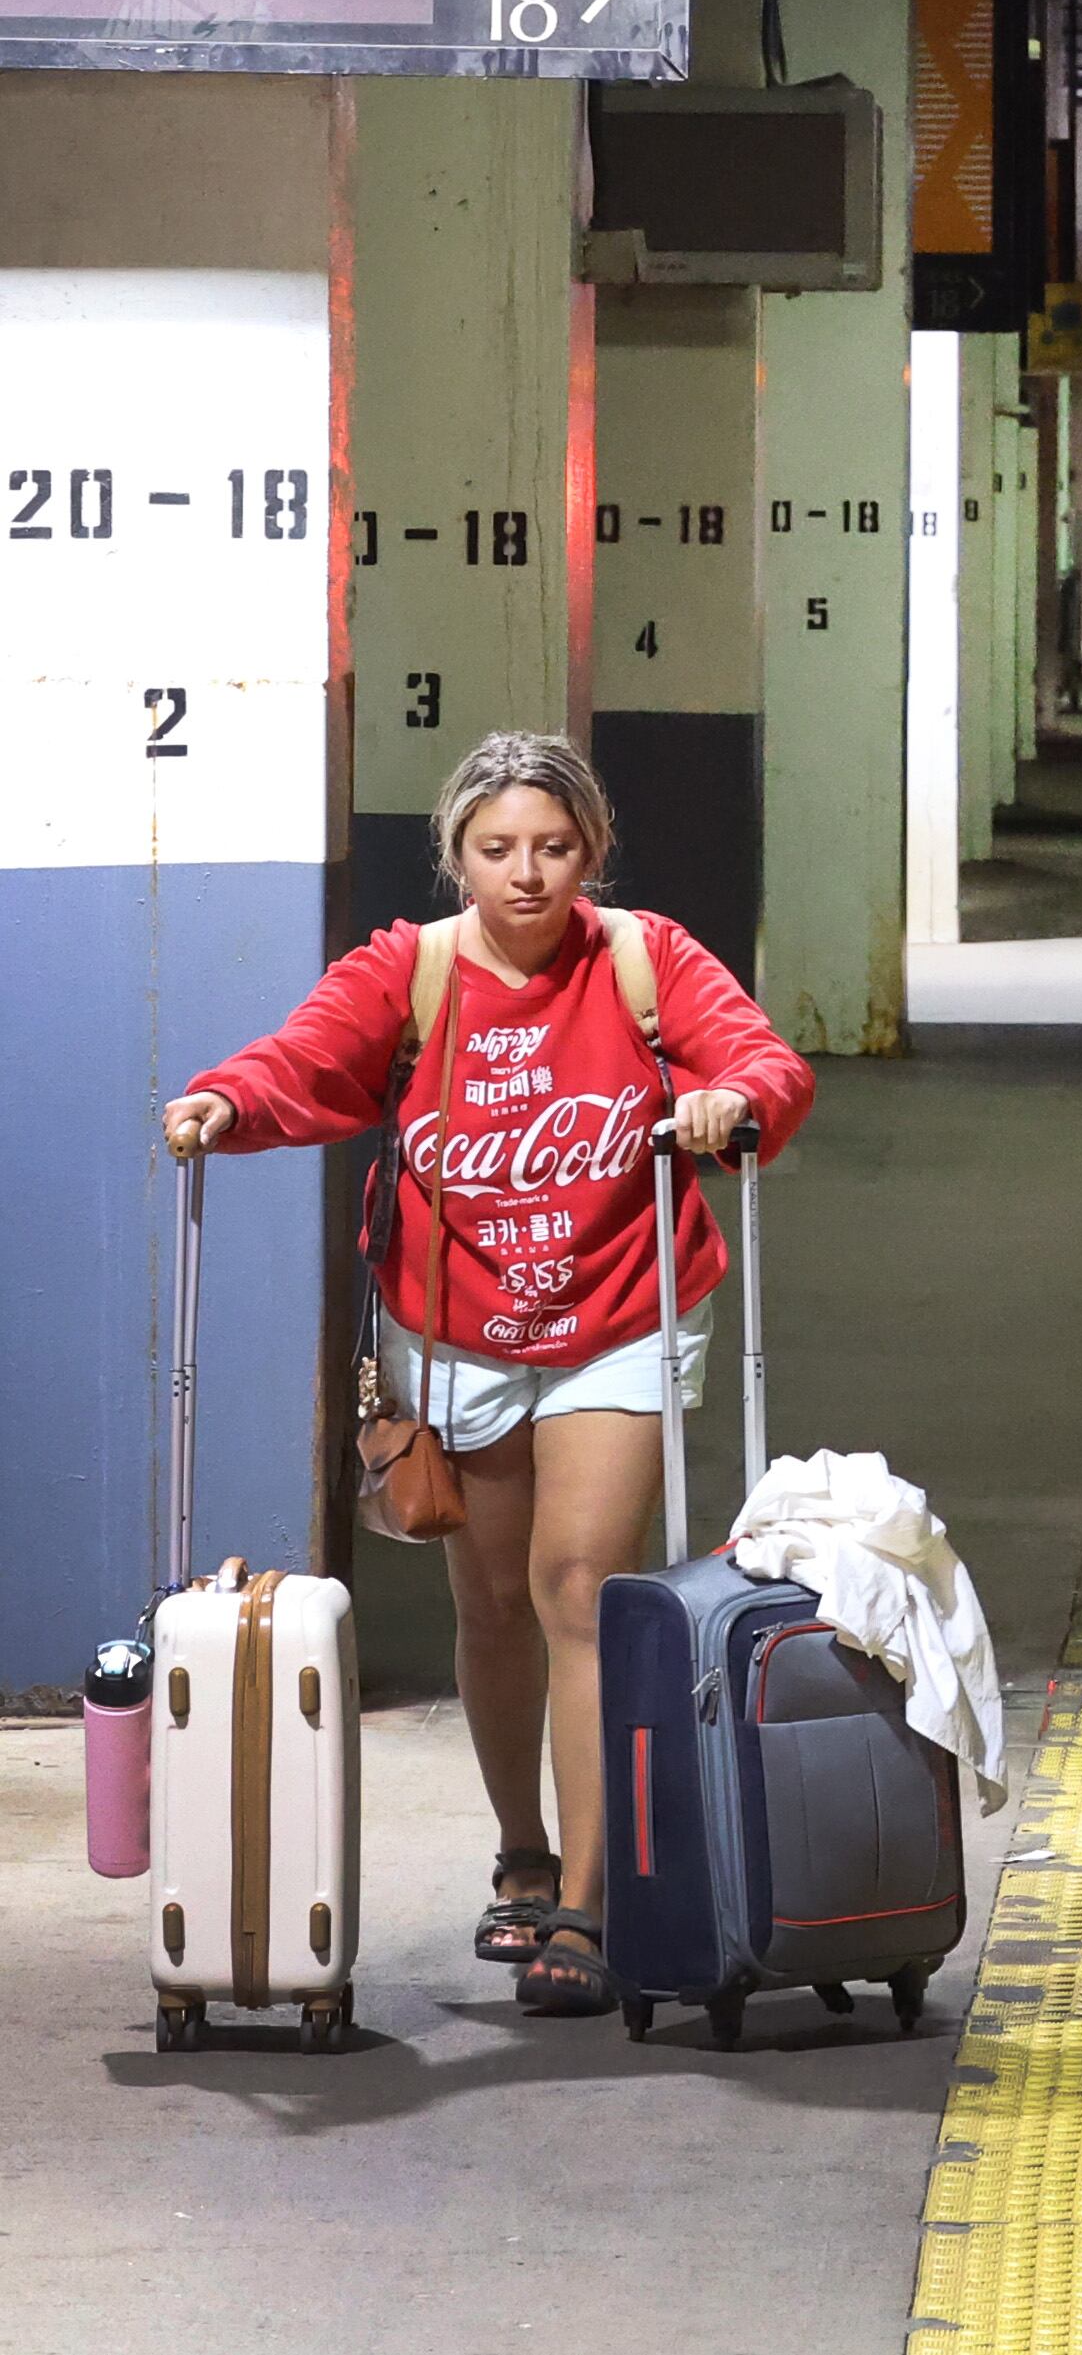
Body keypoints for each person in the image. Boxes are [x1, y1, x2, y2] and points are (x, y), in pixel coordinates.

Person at [162, 733, 813, 2020]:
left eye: (554, 848)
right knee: (496, 1603)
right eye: (498, 849)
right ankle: (521, 1849)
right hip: (455, 1335)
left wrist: (727, 1103)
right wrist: (226, 1104)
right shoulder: (410, 971)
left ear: (595, 849)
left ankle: (591, 1896)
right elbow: (304, 1059)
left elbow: (763, 1060)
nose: (527, 874)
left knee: (579, 1588)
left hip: (617, 1313)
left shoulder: (643, 962)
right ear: (455, 854)